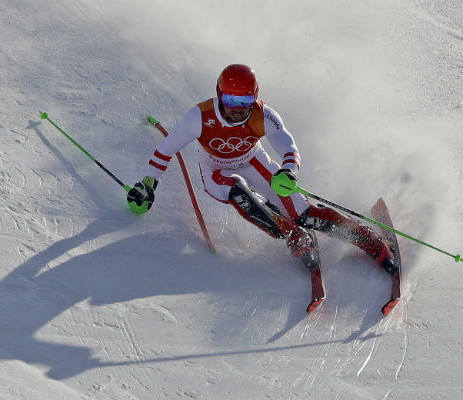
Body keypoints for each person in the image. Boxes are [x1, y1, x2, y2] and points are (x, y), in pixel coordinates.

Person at [127, 64, 396, 312]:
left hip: (254, 162)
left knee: (305, 213)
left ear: (253, 98)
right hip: (217, 173)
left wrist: (289, 171)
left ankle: (369, 240)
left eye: (244, 101)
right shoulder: (200, 116)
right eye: (230, 100)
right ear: (219, 95)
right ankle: (295, 237)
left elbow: (288, 145)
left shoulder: (263, 115)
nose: (237, 108)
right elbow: (165, 150)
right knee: (239, 191)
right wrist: (148, 184)